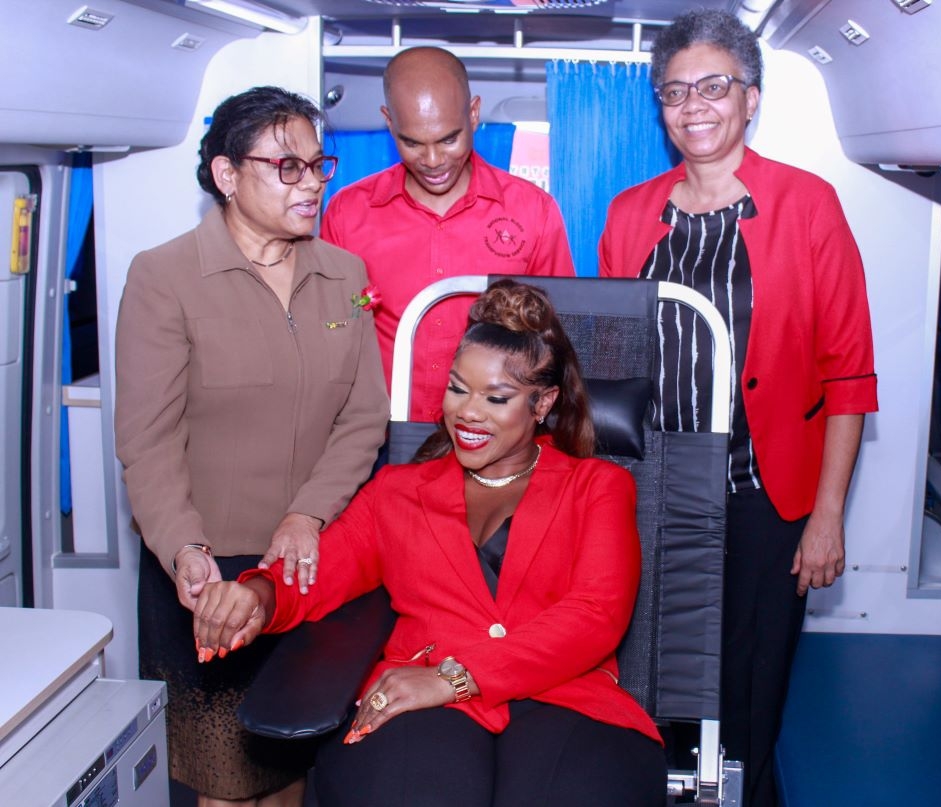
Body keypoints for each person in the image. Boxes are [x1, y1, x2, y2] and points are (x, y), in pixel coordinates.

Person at [190, 280, 668, 807]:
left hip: (565, 698)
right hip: (418, 702)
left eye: (497, 398)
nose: (468, 412)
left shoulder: (597, 487)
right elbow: (324, 570)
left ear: (543, 403)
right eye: (458, 389)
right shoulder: (398, 491)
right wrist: (257, 598)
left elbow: (595, 614)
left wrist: (457, 679)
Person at [598, 10, 879, 806]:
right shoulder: (628, 215)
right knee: (656, 669)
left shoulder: (809, 205)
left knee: (753, 681)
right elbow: (614, 367)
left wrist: (827, 515)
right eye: (675, 91)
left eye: (714, 86)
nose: (695, 106)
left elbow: (850, 375)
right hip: (655, 493)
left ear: (750, 98)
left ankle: (747, 795)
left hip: (765, 494)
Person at [115, 86, 389, 806]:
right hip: (207, 570)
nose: (311, 184)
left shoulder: (344, 275)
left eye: (318, 166)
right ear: (227, 175)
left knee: (289, 761)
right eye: (286, 166)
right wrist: (184, 549)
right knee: (225, 781)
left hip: (304, 562)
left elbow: (363, 419)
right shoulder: (164, 276)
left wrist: (309, 515)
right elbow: (146, 439)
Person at [321, 46, 576, 420]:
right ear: (388, 122)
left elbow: (559, 334)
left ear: (473, 114)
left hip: (495, 434)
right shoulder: (348, 211)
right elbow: (330, 328)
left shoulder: (533, 210)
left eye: (448, 139)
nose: (433, 160)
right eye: (411, 142)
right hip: (379, 431)